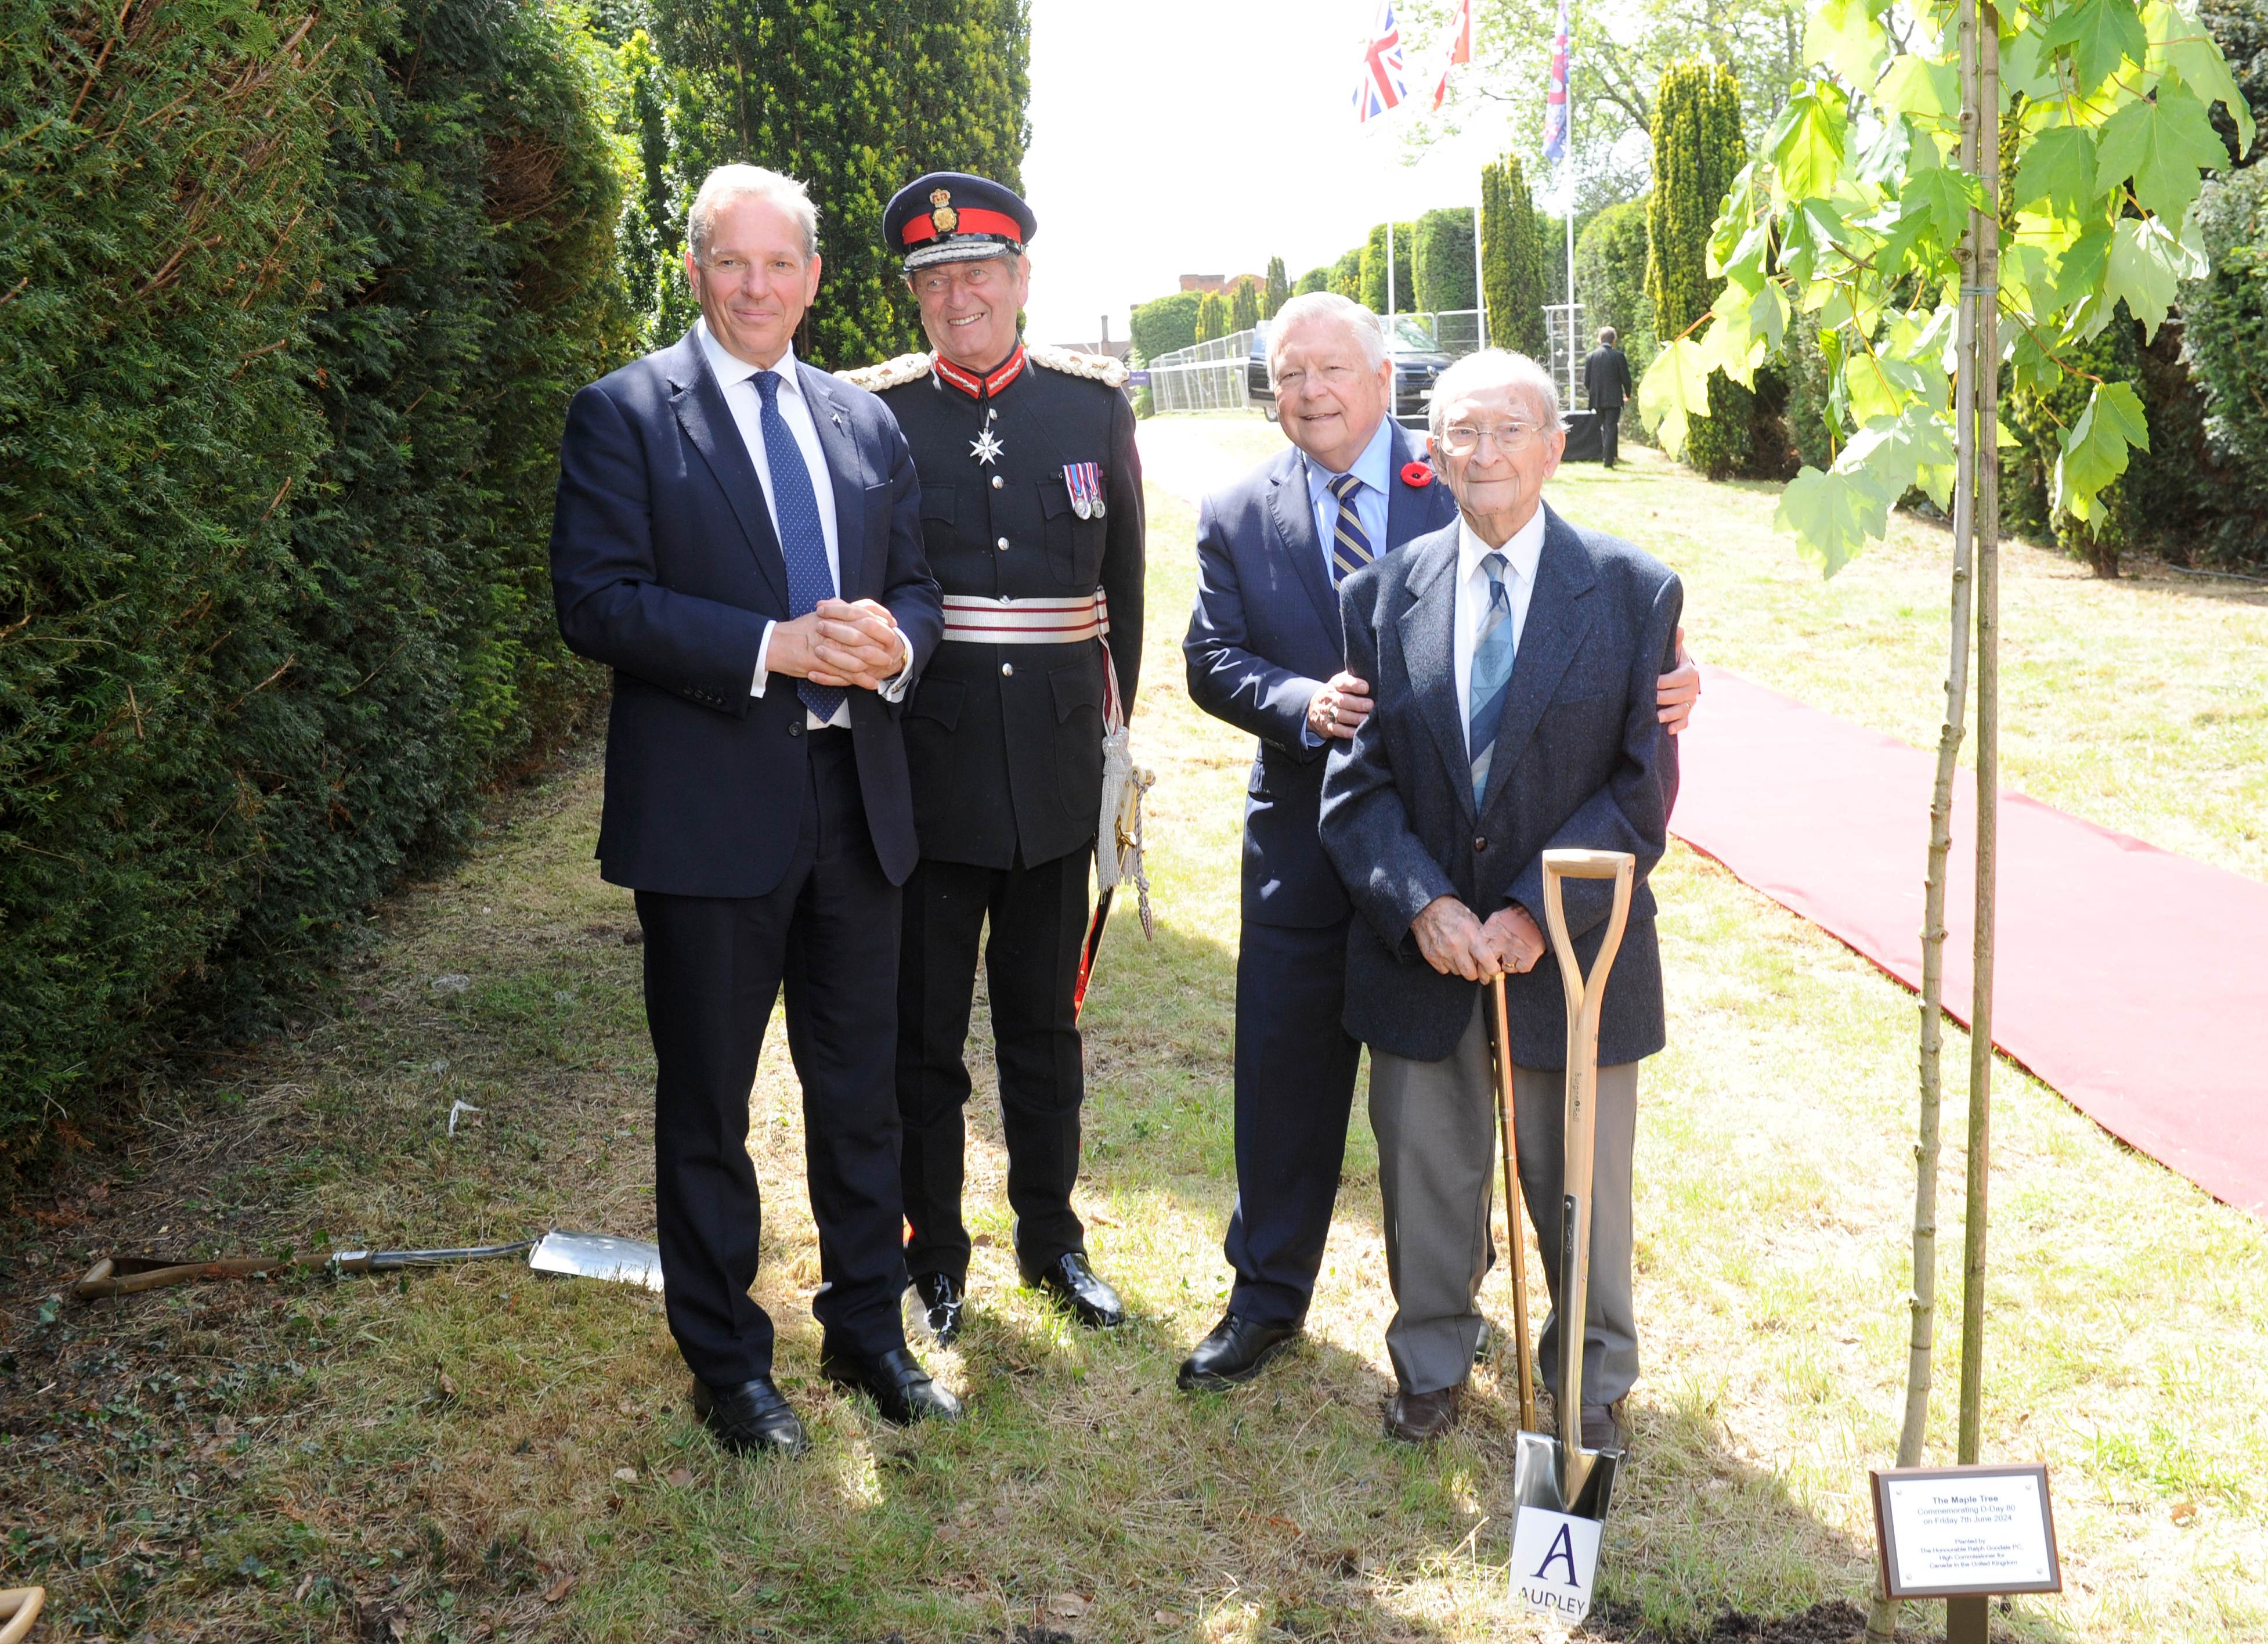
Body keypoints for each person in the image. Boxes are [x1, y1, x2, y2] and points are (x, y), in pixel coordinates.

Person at [1176, 295, 1699, 1393]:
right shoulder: (1282, 535)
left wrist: (1527, 904)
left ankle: (1561, 1365)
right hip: (1355, 876)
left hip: (1536, 911)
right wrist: (1415, 892)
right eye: (1289, 373)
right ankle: (1310, 1311)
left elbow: (1628, 758)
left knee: (1556, 1161)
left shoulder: (1594, 563)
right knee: (1347, 1117)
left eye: (1332, 368)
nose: (1311, 390)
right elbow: (1227, 671)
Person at [549, 164, 955, 1457]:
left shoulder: (862, 421)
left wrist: (897, 641)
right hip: (709, 815)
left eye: (781, 264)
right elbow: (595, 601)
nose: (757, 287)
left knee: (861, 1091)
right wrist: (770, 646)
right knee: (708, 1105)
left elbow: (917, 584)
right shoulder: (625, 414)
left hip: (859, 807)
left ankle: (868, 1330)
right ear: (694, 269)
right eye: (733, 261)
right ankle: (727, 1365)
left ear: (814, 279)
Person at [1317, 348, 1679, 1448]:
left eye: (1509, 430)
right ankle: (1431, 1359)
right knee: (1425, 1167)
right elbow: (1358, 784)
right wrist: (1421, 905)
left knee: (1582, 1183)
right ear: (1431, 453)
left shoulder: (1634, 591)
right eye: (1462, 433)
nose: (1485, 453)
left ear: (1553, 447)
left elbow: (1640, 793)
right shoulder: (1378, 596)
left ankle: (1589, 1377)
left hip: (1574, 951)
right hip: (1421, 950)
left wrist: (1531, 911)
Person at [837, 172, 1145, 1344]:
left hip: (1053, 778)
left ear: (1021, 279)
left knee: (1043, 1029)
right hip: (925, 777)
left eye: (977, 273)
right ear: (914, 295)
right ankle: (934, 1256)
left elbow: (1120, 600)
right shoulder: (874, 415)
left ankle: (1052, 1242)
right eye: (933, 279)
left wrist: (1108, 755)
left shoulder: (1089, 409)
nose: (956, 295)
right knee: (923, 1041)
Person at [1583, 326, 1634, 469]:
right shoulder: (1618, 356)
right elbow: (1626, 379)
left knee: (1605, 427)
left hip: (1597, 399)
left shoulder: (1591, 357)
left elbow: (1587, 381)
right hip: (1614, 399)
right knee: (1611, 427)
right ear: (1614, 341)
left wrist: (1595, 392)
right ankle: (1608, 460)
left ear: (1599, 340)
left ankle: (1610, 456)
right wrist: (1628, 394)